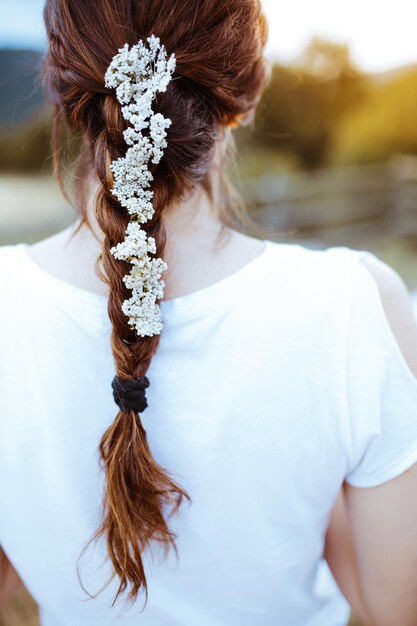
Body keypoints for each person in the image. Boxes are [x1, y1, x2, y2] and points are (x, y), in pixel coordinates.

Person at [1, 1, 417, 625]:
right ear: (242, 98)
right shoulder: (353, 303)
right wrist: (315, 473)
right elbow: (393, 608)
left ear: (65, 89)